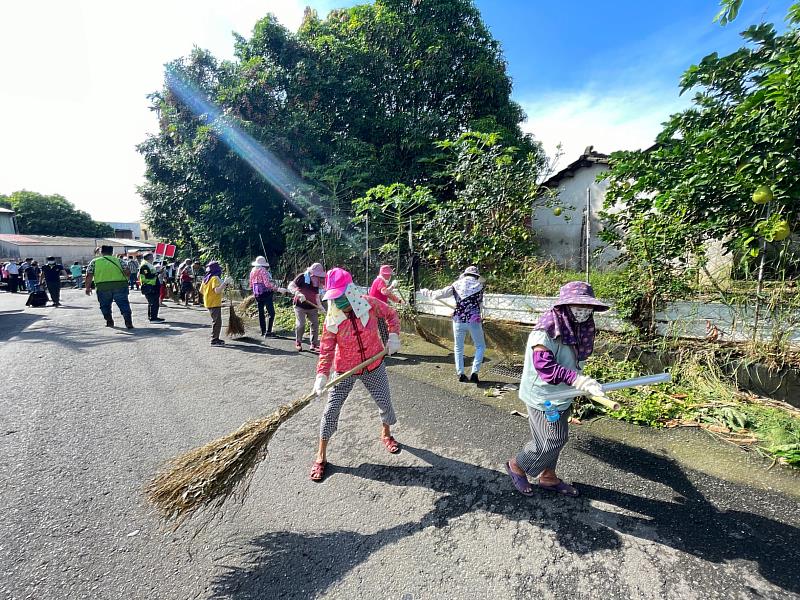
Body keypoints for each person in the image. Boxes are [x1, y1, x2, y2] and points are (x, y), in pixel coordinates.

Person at [505, 281, 610, 498]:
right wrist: (578, 380)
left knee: (551, 437)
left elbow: (574, 360)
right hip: (543, 397)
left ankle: (548, 476)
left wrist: (583, 382)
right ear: (564, 306)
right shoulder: (546, 330)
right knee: (553, 439)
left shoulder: (581, 328)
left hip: (563, 394)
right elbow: (545, 367)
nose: (584, 311)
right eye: (578, 306)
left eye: (588, 307)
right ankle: (517, 464)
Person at [310, 267, 402, 482]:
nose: (339, 300)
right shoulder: (332, 318)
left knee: (385, 402)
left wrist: (394, 336)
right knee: (331, 411)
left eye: (341, 295)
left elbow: (391, 314)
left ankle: (386, 434)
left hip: (374, 364)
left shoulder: (368, 303)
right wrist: (322, 375)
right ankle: (320, 455)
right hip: (345, 370)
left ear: (350, 290)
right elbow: (326, 349)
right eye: (335, 296)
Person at [421, 265, 487, 384]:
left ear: (465, 275)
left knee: (458, 347)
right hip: (474, 320)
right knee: (480, 346)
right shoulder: (480, 286)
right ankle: (474, 373)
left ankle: (460, 373)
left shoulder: (456, 285)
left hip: (458, 320)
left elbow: (439, 294)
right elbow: (480, 305)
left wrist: (427, 292)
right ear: (476, 276)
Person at [84, 245, 133, 329]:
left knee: (105, 305)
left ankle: (109, 321)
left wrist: (87, 288)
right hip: (120, 285)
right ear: (112, 252)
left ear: (101, 252)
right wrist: (125, 279)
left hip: (102, 287)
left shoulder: (94, 262)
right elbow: (128, 272)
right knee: (124, 304)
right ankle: (128, 322)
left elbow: (89, 275)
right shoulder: (119, 261)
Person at [287, 262, 326, 352]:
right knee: (301, 324)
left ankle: (314, 344)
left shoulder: (317, 282)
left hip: (312, 307)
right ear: (311, 273)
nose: (317, 277)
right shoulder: (302, 277)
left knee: (315, 324)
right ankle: (298, 342)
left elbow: (316, 296)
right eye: (316, 275)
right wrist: (298, 293)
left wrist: (320, 307)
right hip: (299, 305)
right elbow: (290, 286)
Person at [249, 256, 286, 337]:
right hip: (266, 294)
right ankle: (268, 332)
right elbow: (267, 284)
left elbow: (251, 284)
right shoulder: (263, 271)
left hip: (257, 294)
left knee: (261, 313)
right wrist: (278, 289)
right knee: (271, 313)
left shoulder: (252, 271)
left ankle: (263, 331)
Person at [199, 261, 233, 346]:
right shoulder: (214, 278)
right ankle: (214, 340)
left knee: (216, 321)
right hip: (214, 303)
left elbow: (201, 291)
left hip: (208, 302)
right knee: (217, 322)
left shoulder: (206, 278)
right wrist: (224, 283)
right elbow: (217, 291)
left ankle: (215, 338)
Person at [368, 265, 404, 343]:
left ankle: (386, 344)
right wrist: (392, 286)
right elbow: (385, 292)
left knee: (380, 326)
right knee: (382, 327)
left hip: (375, 307)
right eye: (388, 275)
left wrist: (399, 301)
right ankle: (387, 346)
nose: (389, 276)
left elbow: (388, 294)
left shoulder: (379, 281)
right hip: (377, 308)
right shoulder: (380, 281)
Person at [138, 253, 163, 322]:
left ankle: (153, 317)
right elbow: (148, 276)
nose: (153, 258)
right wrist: (158, 272)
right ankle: (153, 318)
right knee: (153, 303)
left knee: (154, 303)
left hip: (152, 286)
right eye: (152, 257)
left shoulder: (148, 265)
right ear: (149, 258)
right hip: (149, 286)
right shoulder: (145, 266)